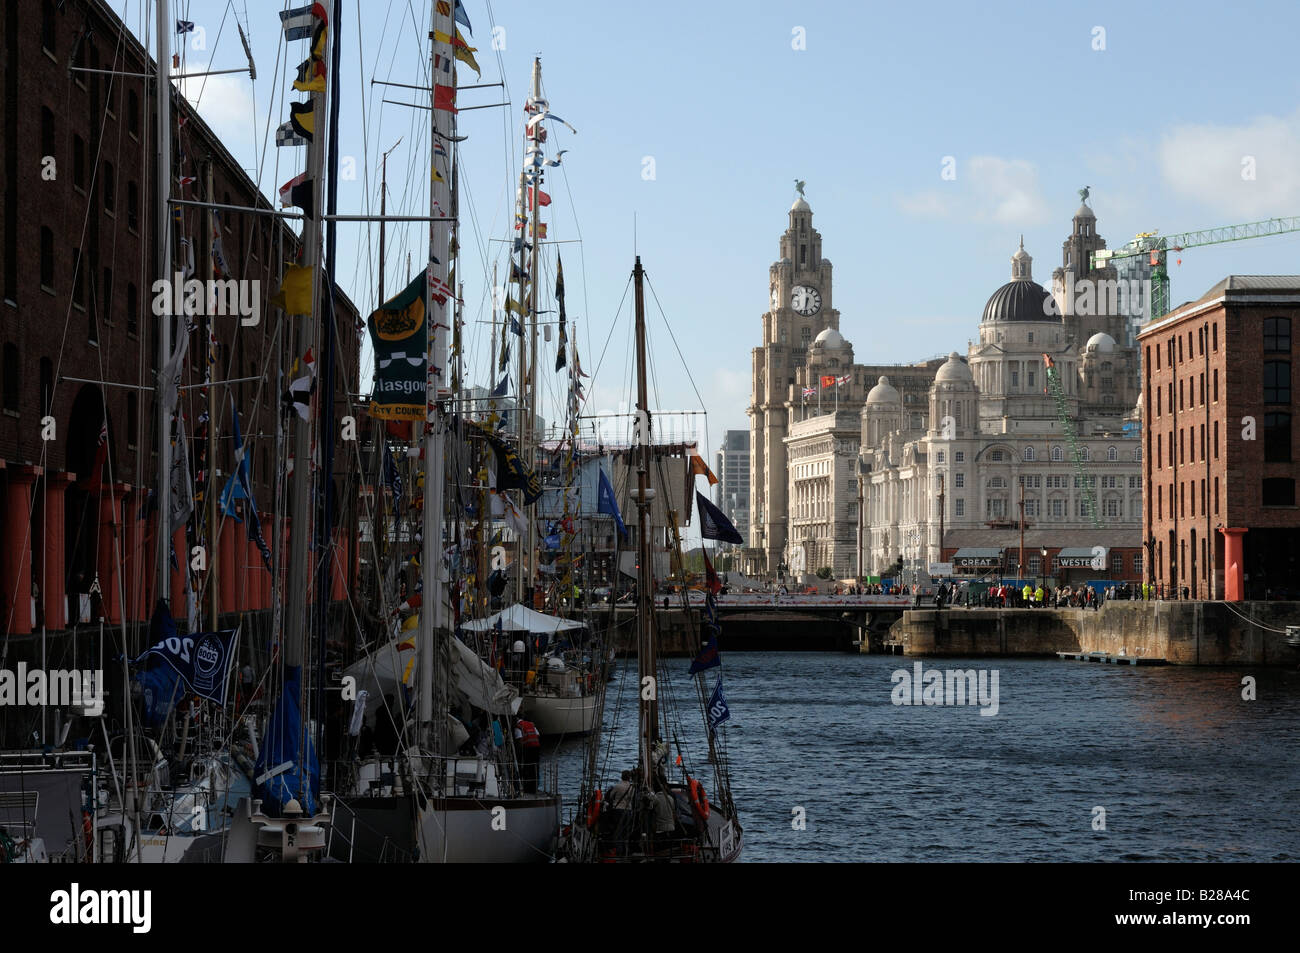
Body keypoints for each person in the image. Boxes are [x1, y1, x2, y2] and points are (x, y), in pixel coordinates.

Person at [514, 715, 542, 794]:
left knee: (527, 768)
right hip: (536, 747)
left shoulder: (518, 726)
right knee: (535, 768)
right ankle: (534, 787)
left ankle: (528, 788)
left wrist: (518, 753)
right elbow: (538, 735)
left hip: (528, 749)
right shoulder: (530, 724)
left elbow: (519, 740)